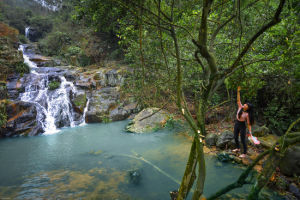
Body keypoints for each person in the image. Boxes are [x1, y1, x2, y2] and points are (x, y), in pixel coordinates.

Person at [232, 86, 254, 158]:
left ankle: (244, 153)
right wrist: (238, 92)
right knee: (235, 137)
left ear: (248, 108)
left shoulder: (247, 114)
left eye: (246, 105)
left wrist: (250, 132)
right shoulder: (240, 107)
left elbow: (249, 124)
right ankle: (238, 148)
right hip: (237, 123)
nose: (244, 105)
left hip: (242, 125)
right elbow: (238, 100)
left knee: (242, 139)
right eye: (245, 104)